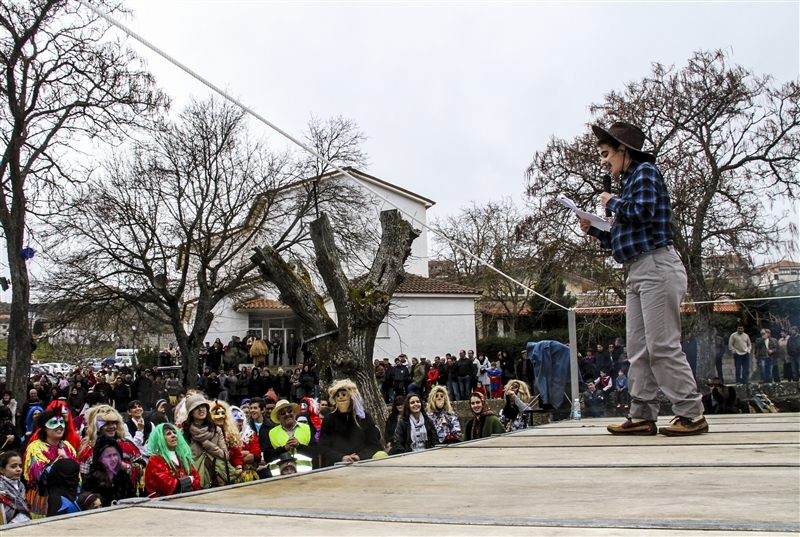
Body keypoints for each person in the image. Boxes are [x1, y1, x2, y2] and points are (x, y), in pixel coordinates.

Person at [582, 121, 706, 436]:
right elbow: (624, 238)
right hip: (637, 269)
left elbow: (644, 210)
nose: (603, 161)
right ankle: (642, 414)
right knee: (637, 347)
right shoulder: (631, 182)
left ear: (624, 150)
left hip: (657, 266)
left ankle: (691, 413)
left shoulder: (645, 173)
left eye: (606, 153)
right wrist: (595, 229)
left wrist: (612, 203)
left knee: (662, 345)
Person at [22, 410, 78, 518]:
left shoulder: (67, 446)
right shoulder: (36, 447)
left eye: (62, 422)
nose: (60, 426)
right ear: (44, 428)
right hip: (44, 501)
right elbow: (39, 477)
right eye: (54, 423)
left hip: (68, 496)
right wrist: (60, 461)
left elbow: (75, 474)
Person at [318, 380, 384, 467]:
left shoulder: (364, 418)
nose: (341, 397)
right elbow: (323, 446)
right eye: (338, 396)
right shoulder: (329, 419)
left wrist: (359, 456)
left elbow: (375, 444)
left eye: (344, 394)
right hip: (336, 466)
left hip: (362, 465)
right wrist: (341, 457)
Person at [181, 394, 235, 489]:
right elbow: (184, 459)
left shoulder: (216, 430)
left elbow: (225, 455)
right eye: (196, 407)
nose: (201, 409)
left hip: (217, 477)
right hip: (197, 480)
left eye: (203, 406)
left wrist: (207, 444)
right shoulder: (184, 432)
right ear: (191, 412)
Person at [144, 424, 201, 498]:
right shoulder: (155, 460)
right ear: (160, 438)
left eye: (174, 432)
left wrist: (183, 484)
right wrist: (188, 480)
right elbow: (166, 484)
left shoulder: (183, 458)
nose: (174, 435)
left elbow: (196, 478)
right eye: (168, 434)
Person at [81, 436, 136, 506]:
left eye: (115, 455)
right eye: (108, 456)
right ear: (100, 459)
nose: (113, 459)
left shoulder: (123, 476)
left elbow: (132, 498)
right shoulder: (90, 480)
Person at [264, 399, 317, 471]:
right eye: (283, 413)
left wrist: (299, 446)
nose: (287, 414)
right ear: (278, 417)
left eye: (289, 411)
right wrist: (284, 449)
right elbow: (267, 457)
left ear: (294, 413)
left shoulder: (307, 428)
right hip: (280, 477)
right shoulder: (271, 433)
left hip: (305, 475)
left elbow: (315, 453)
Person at [230, 406, 262, 482]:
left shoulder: (250, 434)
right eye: (235, 417)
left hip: (251, 471)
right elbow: (229, 458)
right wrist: (246, 453)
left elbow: (256, 455)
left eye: (241, 416)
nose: (239, 419)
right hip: (233, 473)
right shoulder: (227, 436)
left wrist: (237, 457)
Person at [0, 451, 30, 524]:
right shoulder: (1, 487)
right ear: (2, 470)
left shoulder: (21, 485)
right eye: (13, 466)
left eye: (20, 466)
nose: (18, 469)